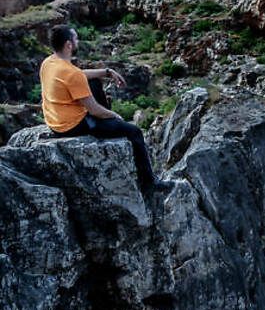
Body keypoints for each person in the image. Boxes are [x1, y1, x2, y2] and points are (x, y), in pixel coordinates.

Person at [39, 24, 172, 191]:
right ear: (69, 45)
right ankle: (149, 182)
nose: (78, 41)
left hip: (55, 119)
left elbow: (78, 76)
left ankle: (104, 122)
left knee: (93, 81)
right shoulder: (71, 74)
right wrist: (112, 115)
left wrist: (107, 72)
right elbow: (94, 110)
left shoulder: (49, 63)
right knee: (135, 133)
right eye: (76, 38)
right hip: (72, 126)